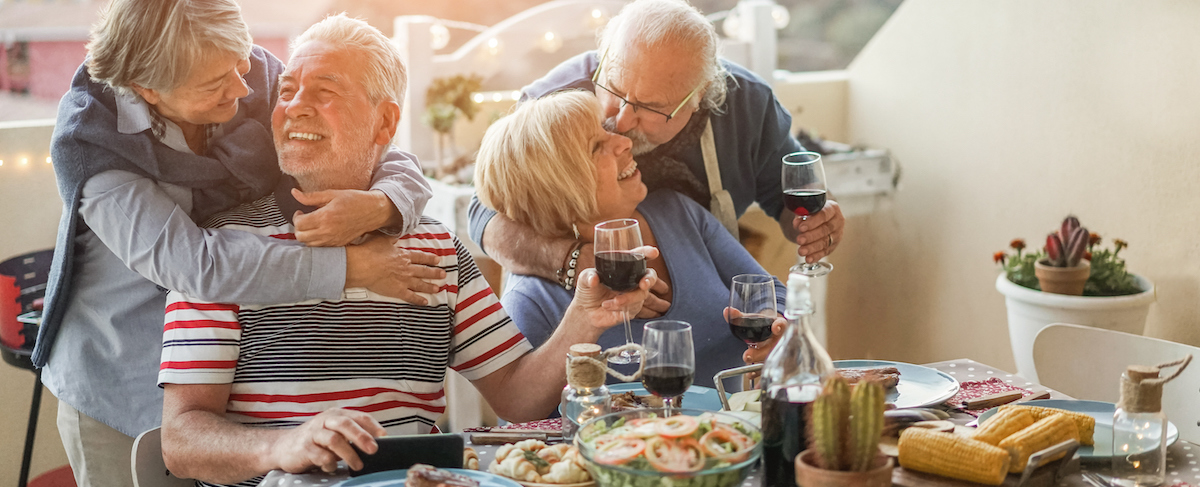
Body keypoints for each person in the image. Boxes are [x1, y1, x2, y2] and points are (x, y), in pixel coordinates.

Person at [157, 16, 655, 486]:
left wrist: (585, 318)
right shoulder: (218, 249)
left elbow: (519, 397)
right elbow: (181, 440)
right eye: (286, 92)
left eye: (325, 92)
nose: (295, 106)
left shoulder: (436, 246)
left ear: (384, 123)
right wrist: (284, 445)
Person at [37, 1, 439, 485]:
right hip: (120, 370)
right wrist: (351, 267)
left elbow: (377, 141)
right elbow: (199, 268)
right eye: (215, 84)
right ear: (146, 88)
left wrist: (385, 203)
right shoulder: (92, 143)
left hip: (220, 376)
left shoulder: (249, 75)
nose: (245, 88)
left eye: (240, 63)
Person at [467, 0, 844, 319]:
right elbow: (483, 214)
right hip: (578, 306)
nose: (622, 121)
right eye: (613, 88)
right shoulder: (552, 103)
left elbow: (791, 199)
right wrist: (573, 261)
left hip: (704, 308)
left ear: (702, 95)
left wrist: (812, 226)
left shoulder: (749, 105)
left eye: (651, 107)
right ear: (605, 58)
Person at [475, 90, 786, 391]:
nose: (625, 142)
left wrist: (778, 331)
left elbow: (769, 294)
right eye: (598, 146)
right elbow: (523, 425)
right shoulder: (531, 297)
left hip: (726, 439)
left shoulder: (679, 213)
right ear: (559, 187)